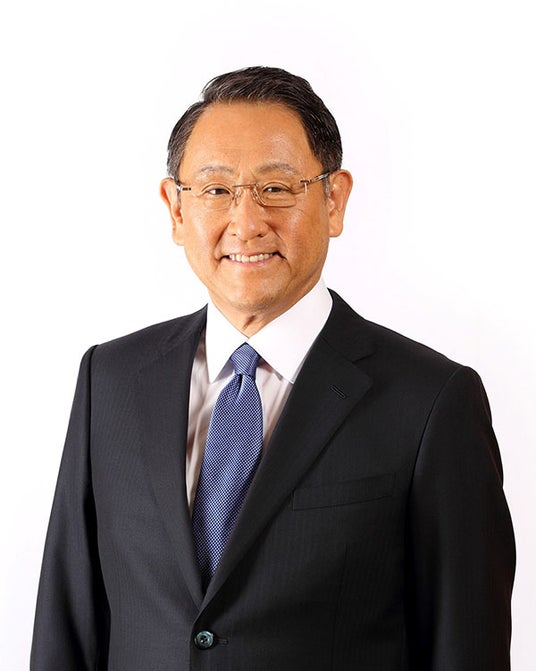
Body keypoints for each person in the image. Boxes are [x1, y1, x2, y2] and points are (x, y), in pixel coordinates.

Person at [31, 66, 515, 670]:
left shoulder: (431, 403)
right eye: (215, 190)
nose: (247, 222)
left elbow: (466, 650)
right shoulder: (111, 380)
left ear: (334, 200)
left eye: (277, 187)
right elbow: (66, 629)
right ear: (176, 209)